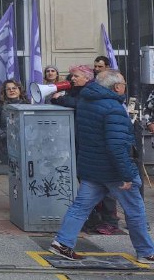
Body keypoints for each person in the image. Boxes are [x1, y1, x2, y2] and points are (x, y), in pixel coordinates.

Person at [49, 70, 154, 264]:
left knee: (80, 207)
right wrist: (127, 175)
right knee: (135, 210)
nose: (125, 86)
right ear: (117, 87)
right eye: (124, 83)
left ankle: (62, 243)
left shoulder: (86, 102)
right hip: (114, 170)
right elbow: (117, 146)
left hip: (92, 167)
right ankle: (146, 251)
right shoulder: (114, 108)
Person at [50, 65, 119, 235]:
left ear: (87, 78)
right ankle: (95, 218)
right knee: (90, 184)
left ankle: (109, 220)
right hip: (83, 143)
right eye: (72, 76)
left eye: (76, 76)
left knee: (103, 184)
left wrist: (60, 99)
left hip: (92, 145)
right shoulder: (77, 91)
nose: (72, 79)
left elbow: (79, 104)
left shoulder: (90, 92)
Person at [0, 79, 29, 165]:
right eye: (8, 89)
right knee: (11, 169)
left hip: (27, 144)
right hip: (6, 145)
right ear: (4, 92)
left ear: (19, 90)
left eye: (14, 88)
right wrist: (3, 135)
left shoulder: (28, 105)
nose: (11, 90)